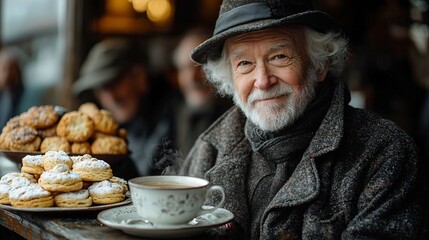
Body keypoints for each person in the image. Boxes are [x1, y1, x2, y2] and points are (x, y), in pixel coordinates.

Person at [165, 0, 427, 239]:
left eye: (279, 57)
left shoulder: (384, 152)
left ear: (319, 64)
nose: (263, 81)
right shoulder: (210, 150)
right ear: (230, 78)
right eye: (244, 63)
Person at [73, 38, 174, 177]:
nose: (111, 98)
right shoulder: (108, 132)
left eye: (114, 83)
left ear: (139, 77)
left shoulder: (173, 116)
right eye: (102, 89)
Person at [171, 27, 232, 156]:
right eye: (184, 68)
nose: (192, 78)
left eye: (199, 67)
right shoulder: (174, 113)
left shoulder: (234, 117)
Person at [0, 47, 24, 129]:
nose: (7, 74)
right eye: (3, 69)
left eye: (11, 69)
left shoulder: (25, 94)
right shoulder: (4, 94)